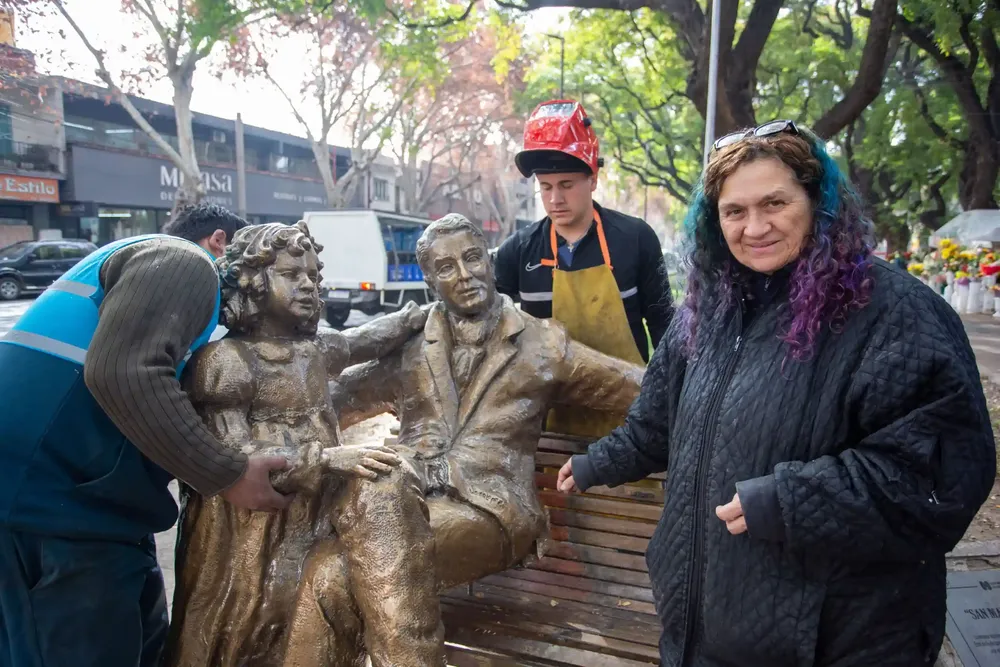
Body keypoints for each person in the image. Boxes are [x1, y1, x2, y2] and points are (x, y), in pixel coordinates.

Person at [556, 121, 996, 667]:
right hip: (700, 632)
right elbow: (660, 423)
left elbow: (940, 477)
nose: (755, 227)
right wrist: (598, 462)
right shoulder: (705, 310)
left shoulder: (895, 313)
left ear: (817, 202)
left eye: (775, 203)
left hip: (838, 642)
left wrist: (790, 501)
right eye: (734, 211)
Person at [280, 213, 645, 667]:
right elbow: (333, 403)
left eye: (473, 258)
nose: (466, 274)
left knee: (356, 554)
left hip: (491, 509)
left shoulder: (543, 346)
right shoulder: (411, 345)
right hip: (408, 501)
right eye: (447, 267)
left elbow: (640, 389)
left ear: (490, 263)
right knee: (325, 572)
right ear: (430, 279)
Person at [0, 204, 292, 667]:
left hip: (75, 513)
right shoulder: (183, 262)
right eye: (277, 269)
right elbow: (124, 372)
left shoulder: (138, 267)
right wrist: (228, 474)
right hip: (51, 515)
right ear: (221, 243)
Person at [162, 221, 424, 667]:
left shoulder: (314, 350)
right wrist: (328, 457)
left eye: (313, 277)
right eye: (291, 275)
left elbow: (368, 339)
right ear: (254, 281)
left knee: (307, 624)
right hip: (247, 532)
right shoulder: (226, 362)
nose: (308, 286)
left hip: (311, 515)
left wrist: (418, 316)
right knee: (245, 629)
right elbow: (237, 461)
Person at [494, 99, 671, 438]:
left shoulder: (635, 239)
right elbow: (485, 329)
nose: (555, 199)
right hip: (548, 423)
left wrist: (666, 397)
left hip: (629, 423)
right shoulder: (517, 251)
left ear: (592, 179)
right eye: (545, 187)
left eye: (566, 185)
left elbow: (665, 325)